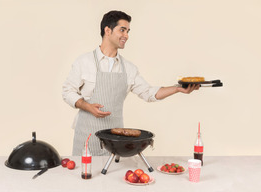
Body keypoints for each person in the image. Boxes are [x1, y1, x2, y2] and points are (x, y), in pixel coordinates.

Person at [62, 10, 199, 156]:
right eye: (122, 30)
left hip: (114, 141)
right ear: (107, 30)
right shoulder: (84, 62)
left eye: (128, 31)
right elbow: (67, 91)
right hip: (86, 137)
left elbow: (148, 93)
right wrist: (87, 106)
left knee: (111, 175)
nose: (126, 36)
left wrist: (178, 88)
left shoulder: (129, 68)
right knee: (84, 175)